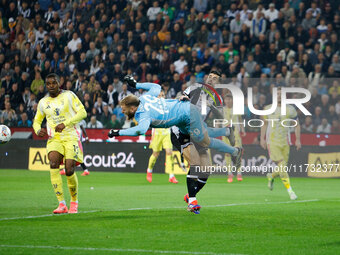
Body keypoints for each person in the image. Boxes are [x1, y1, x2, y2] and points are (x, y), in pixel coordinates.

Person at [108, 75, 242, 214]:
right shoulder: (144, 98)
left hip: (187, 115)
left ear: (132, 108)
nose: (122, 111)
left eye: (124, 109)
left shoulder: (141, 114)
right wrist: (137, 84)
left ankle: (232, 145)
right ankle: (192, 200)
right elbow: (156, 87)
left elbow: (141, 130)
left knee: (206, 166)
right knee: (196, 161)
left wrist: (118, 132)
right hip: (180, 128)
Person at [33, 73, 87, 214]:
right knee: (53, 164)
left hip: (71, 136)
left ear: (59, 83)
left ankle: (74, 202)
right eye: (48, 83)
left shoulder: (69, 95)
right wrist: (38, 130)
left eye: (54, 83)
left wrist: (66, 123)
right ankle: (61, 204)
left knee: (69, 170)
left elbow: (83, 113)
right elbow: (37, 121)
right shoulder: (43, 102)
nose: (51, 86)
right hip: (54, 138)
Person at [260, 87, 300, 200]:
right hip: (272, 142)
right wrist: (262, 139)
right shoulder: (268, 109)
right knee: (282, 166)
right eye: (277, 94)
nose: (279, 96)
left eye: (280, 94)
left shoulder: (290, 109)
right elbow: (264, 124)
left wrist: (298, 139)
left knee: (282, 167)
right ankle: (290, 191)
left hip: (285, 142)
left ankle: (271, 176)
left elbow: (297, 124)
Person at [147, 90, 178, 184]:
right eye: (159, 95)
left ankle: (171, 176)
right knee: (155, 154)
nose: (161, 97)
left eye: (163, 95)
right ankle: (149, 170)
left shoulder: (168, 106)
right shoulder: (153, 107)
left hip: (166, 132)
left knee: (169, 152)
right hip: (157, 132)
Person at [223, 94, 245, 183]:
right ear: (224, 100)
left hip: (235, 134)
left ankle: (239, 172)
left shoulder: (237, 109)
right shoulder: (222, 110)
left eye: (229, 99)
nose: (228, 101)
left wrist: (243, 130)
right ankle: (230, 173)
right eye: (226, 99)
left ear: (232, 100)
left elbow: (240, 120)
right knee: (227, 154)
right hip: (225, 134)